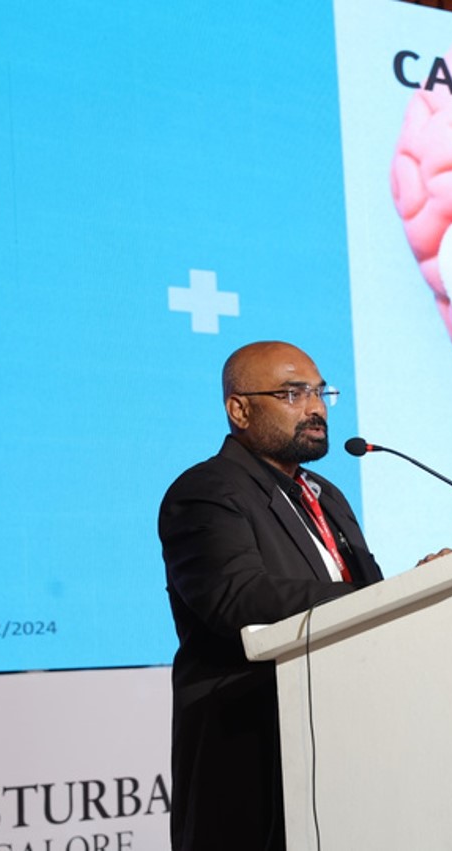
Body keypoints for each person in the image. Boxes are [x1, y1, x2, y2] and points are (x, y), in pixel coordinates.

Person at [159, 341, 384, 851]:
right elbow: (236, 598)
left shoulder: (325, 494)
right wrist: (374, 597)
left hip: (345, 738)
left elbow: (364, 594)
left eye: (320, 392)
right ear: (239, 409)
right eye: (292, 394)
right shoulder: (205, 491)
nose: (316, 407)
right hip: (254, 751)